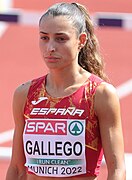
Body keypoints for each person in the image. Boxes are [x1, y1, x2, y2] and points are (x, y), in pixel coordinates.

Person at [6, 2, 126, 180]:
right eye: (44, 38)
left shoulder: (100, 94)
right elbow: (17, 168)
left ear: (81, 41)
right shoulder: (25, 94)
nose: (50, 48)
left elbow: (117, 169)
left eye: (61, 38)